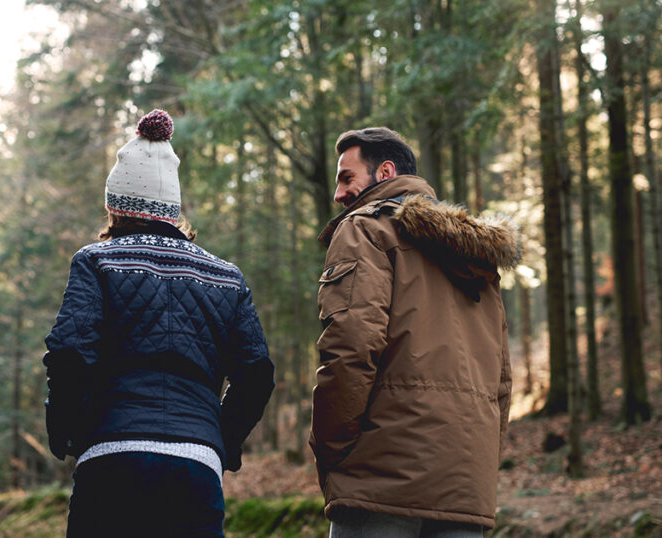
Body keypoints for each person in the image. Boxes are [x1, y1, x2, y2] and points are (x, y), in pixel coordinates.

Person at [43, 109, 275, 538]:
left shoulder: (97, 261)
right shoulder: (227, 276)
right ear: (172, 209)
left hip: (111, 457)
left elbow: (70, 354)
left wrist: (66, 432)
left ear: (115, 206)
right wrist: (218, 438)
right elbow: (256, 374)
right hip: (195, 466)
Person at [309, 127, 520, 537]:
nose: (339, 194)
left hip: (382, 474)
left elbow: (349, 349)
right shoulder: (476, 255)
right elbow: (502, 380)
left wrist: (330, 447)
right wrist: (480, 461)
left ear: (384, 172)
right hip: (465, 481)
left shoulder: (364, 230)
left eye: (347, 177)